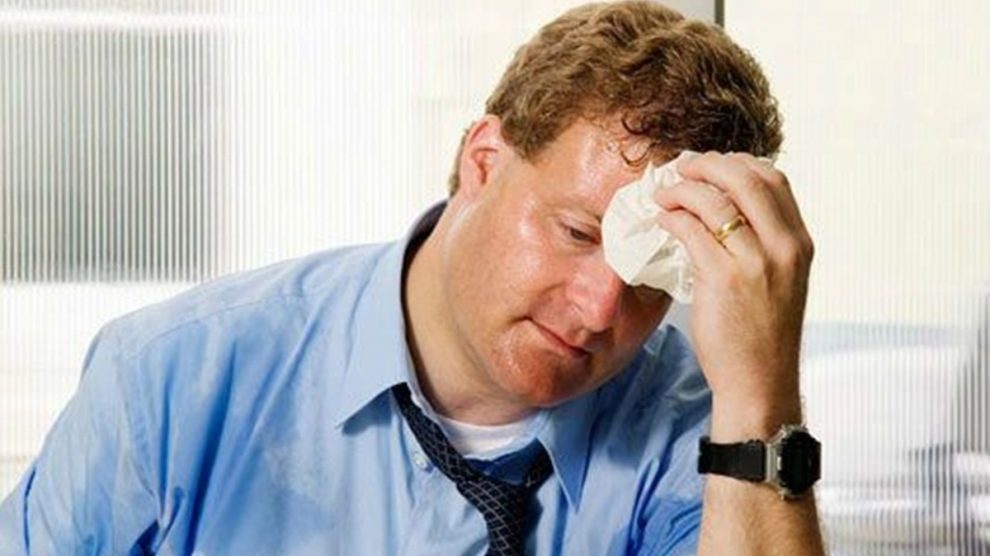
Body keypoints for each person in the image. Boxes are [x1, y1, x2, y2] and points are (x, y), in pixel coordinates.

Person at [0, 1, 826, 554]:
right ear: (483, 161)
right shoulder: (173, 379)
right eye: (577, 232)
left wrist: (762, 393)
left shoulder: (708, 437)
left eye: (652, 275)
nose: (600, 304)